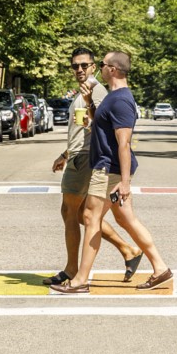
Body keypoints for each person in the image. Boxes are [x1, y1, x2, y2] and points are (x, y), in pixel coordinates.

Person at [51, 50, 172, 294]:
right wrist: (88, 104)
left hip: (108, 169)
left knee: (89, 218)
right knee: (125, 219)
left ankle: (80, 279)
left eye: (103, 65)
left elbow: (124, 143)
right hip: (107, 168)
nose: (100, 69)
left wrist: (125, 182)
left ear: (113, 70)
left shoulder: (120, 100)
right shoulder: (112, 97)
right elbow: (100, 125)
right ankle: (160, 268)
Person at [43, 47, 143, 286]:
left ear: (94, 67)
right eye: (75, 66)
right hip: (79, 155)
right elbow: (86, 125)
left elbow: (103, 125)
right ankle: (128, 251)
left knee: (78, 214)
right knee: (80, 214)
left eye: (84, 65)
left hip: (89, 158)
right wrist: (65, 153)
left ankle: (74, 270)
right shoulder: (85, 91)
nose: (79, 70)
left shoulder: (97, 91)